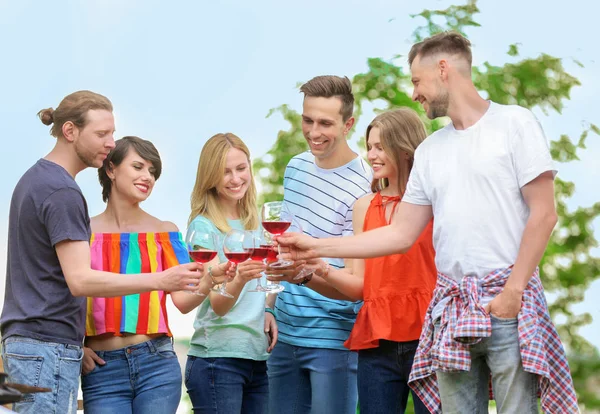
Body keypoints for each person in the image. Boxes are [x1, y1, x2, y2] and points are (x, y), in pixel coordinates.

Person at [277, 32, 578, 413]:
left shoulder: (514, 123)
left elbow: (544, 213)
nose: (414, 93)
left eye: (417, 81)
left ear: (443, 69)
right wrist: (313, 245)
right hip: (450, 313)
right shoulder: (433, 150)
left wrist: (513, 293)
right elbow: (399, 234)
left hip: (506, 304)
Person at [0, 91, 202, 414]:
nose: (110, 142)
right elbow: (80, 281)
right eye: (101, 134)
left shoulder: (35, 180)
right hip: (48, 347)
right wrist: (160, 279)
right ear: (70, 132)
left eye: (112, 133)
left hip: (37, 344)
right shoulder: (62, 190)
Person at [276, 108, 436, 413]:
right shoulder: (364, 207)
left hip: (427, 337)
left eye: (380, 147)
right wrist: (317, 268)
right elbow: (359, 287)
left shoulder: (431, 202)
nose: (372, 155)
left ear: (404, 149)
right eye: (370, 146)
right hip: (377, 343)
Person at [80, 136, 231, 413]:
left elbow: (183, 302)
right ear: (110, 169)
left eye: (152, 172)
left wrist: (210, 279)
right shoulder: (83, 234)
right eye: (138, 167)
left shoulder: (164, 232)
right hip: (101, 367)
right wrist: (77, 347)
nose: (147, 177)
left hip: (156, 364)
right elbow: (67, 292)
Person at [267, 75, 373, 414]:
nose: (313, 131)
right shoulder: (296, 167)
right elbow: (283, 248)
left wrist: (301, 275)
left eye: (325, 123)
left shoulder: (365, 185)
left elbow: (356, 283)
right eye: (307, 120)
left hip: (333, 340)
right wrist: (270, 305)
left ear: (348, 124)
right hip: (283, 335)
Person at [184, 133, 278, 414]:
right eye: (225, 172)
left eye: (241, 168)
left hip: (256, 356)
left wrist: (269, 309)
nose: (236, 178)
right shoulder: (204, 227)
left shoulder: (258, 224)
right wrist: (239, 278)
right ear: (210, 177)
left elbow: (268, 277)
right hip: (217, 359)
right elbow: (219, 304)